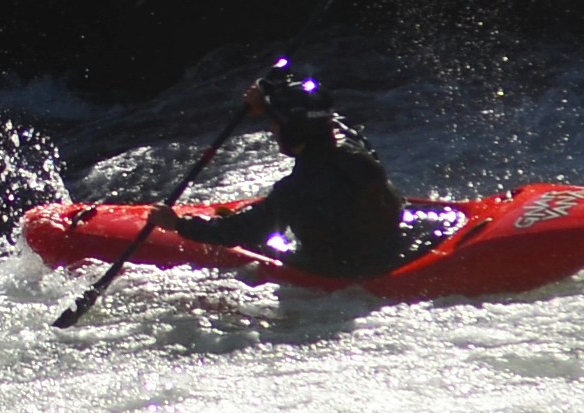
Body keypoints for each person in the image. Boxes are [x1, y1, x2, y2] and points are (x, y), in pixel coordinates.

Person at [157, 78, 412, 277]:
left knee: (262, 247)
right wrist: (268, 97)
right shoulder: (358, 151)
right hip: (394, 250)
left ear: (294, 130)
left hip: (344, 273)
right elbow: (327, 118)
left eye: (276, 123)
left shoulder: (296, 190)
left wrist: (179, 225)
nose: (272, 128)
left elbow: (241, 231)